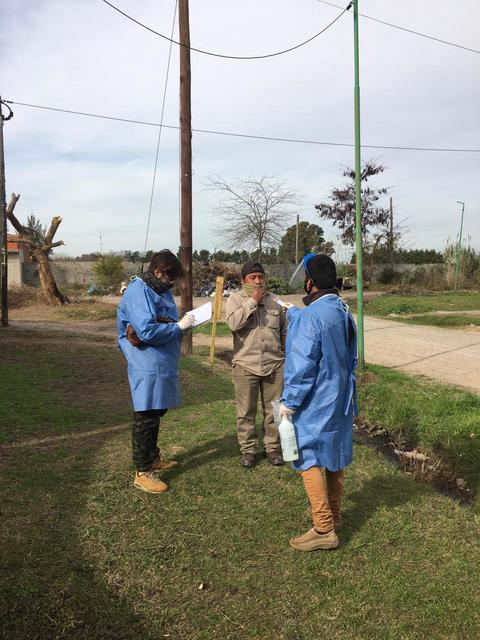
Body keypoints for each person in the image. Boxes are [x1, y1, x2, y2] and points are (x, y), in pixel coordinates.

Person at [279, 254, 357, 551]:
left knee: (306, 457)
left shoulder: (312, 316)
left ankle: (323, 528)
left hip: (316, 399)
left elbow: (302, 365)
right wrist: (296, 314)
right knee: (334, 455)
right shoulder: (340, 308)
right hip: (340, 398)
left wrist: (289, 402)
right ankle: (335, 517)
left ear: (308, 282)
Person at [117, 250, 195, 494]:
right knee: (146, 412)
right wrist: (179, 328)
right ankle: (142, 471)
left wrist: (179, 323)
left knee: (157, 408)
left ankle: (152, 457)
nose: (172, 282)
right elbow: (146, 331)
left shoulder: (159, 288)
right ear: (158, 272)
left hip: (160, 359)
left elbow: (161, 319)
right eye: (170, 277)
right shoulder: (139, 290)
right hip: (146, 360)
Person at [226, 261, 287, 468]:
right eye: (252, 278)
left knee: (276, 410)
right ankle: (249, 450)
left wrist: (285, 355)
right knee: (245, 412)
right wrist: (252, 302)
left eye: (261, 277)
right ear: (243, 281)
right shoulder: (234, 300)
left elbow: (284, 332)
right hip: (245, 365)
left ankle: (273, 448)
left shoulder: (276, 302)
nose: (258, 281)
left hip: (274, 365)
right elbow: (233, 324)